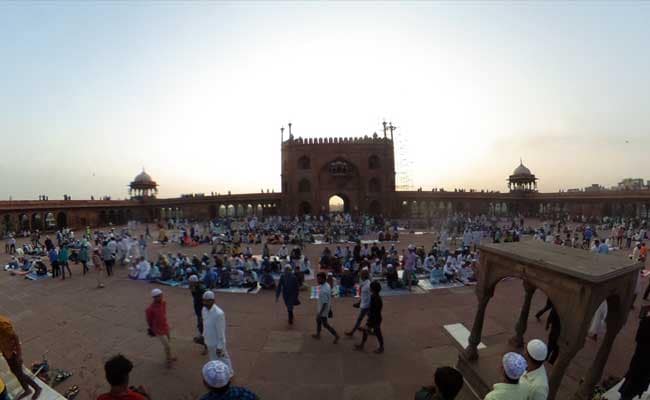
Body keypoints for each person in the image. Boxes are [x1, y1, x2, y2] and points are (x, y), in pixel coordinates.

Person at [0, 314, 42, 400]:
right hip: (6, 353)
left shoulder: (4, 326)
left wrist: (19, 356)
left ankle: (37, 388)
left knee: (20, 373)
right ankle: (27, 389)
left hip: (13, 354)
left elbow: (16, 338)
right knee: (15, 373)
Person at [618, 306, 650, 400]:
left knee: (629, 391)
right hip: (642, 366)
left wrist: (646, 319)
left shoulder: (646, 322)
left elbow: (638, 337)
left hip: (640, 364)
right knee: (630, 391)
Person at [202, 291, 232, 372]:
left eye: (207, 301)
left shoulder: (219, 313)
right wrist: (203, 336)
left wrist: (220, 347)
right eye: (204, 300)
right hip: (209, 340)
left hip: (217, 342)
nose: (204, 302)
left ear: (213, 301)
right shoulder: (204, 310)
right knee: (213, 359)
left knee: (224, 359)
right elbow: (205, 324)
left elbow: (221, 332)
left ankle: (229, 373)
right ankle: (218, 373)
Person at [145, 288, 176, 368]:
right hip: (158, 330)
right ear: (154, 298)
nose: (160, 297)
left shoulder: (164, 303)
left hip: (165, 326)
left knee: (168, 343)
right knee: (167, 345)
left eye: (160, 296)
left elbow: (163, 314)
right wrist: (152, 329)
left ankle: (169, 357)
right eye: (158, 296)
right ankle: (169, 361)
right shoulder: (150, 309)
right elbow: (149, 320)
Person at [354, 280, 384, 354]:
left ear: (372, 289)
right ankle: (362, 345)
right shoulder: (375, 297)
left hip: (375, 319)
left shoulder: (375, 298)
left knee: (377, 333)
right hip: (375, 318)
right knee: (368, 331)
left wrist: (370, 320)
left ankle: (381, 347)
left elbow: (374, 310)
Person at [312, 272, 340, 344]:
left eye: (319, 279)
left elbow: (324, 303)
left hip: (323, 310)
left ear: (324, 279)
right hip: (323, 308)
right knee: (318, 321)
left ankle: (336, 335)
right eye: (317, 279)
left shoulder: (324, 290)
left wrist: (320, 313)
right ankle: (318, 334)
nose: (318, 281)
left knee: (325, 324)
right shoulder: (326, 285)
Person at [346, 268, 371, 336]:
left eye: (361, 275)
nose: (360, 276)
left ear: (363, 276)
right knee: (370, 319)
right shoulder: (365, 283)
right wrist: (359, 302)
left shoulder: (367, 285)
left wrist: (360, 303)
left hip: (366, 305)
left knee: (360, 319)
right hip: (365, 304)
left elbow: (370, 296)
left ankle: (352, 332)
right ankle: (370, 329)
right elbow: (364, 296)